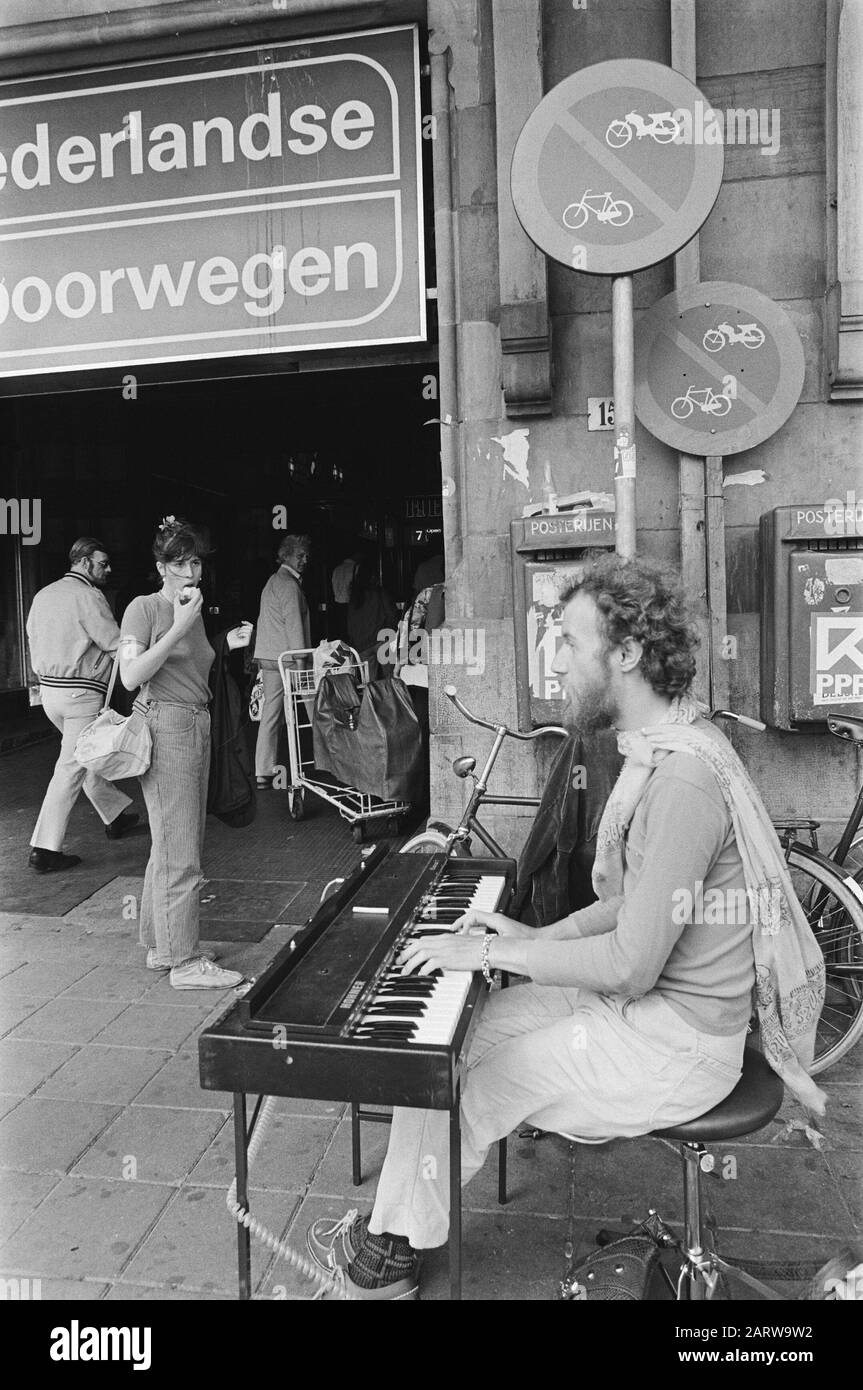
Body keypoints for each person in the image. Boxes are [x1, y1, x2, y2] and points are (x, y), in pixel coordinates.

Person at [307, 553, 826, 1299]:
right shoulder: (666, 748)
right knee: (443, 1046)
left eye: (572, 645)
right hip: (638, 1014)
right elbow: (629, 907)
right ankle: (394, 1233)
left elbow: (629, 964)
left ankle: (385, 1256)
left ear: (625, 654)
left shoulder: (681, 779)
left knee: (475, 1089)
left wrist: (499, 948)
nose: (559, 663)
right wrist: (523, 938)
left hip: (673, 1043)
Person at [119, 518, 252, 990]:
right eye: (179, 563)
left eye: (195, 562)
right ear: (161, 567)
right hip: (167, 723)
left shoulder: (193, 611)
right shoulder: (146, 608)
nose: (190, 572)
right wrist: (177, 628)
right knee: (182, 851)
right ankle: (185, 962)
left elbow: (191, 669)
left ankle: (163, 945)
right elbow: (131, 675)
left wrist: (223, 643)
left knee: (172, 842)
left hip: (195, 721)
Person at [26, 537, 139, 872]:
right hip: (81, 694)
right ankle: (44, 849)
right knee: (71, 766)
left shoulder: (43, 595)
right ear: (85, 561)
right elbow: (113, 642)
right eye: (103, 563)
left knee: (81, 755)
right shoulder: (89, 596)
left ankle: (115, 814)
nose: (108, 569)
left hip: (49, 693)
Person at [253, 534, 311, 789]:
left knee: (271, 714)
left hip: (268, 656)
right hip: (288, 659)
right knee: (311, 707)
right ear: (286, 555)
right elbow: (294, 626)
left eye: (306, 555)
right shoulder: (289, 585)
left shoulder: (272, 581)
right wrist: (300, 661)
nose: (305, 560)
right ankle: (324, 759)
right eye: (300, 555)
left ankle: (263, 771)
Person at [346, 556, 397, 680]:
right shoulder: (379, 593)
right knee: (391, 678)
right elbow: (391, 615)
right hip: (382, 641)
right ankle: (391, 699)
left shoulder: (354, 596)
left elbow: (350, 623)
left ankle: (372, 700)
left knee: (369, 683)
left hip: (362, 645)